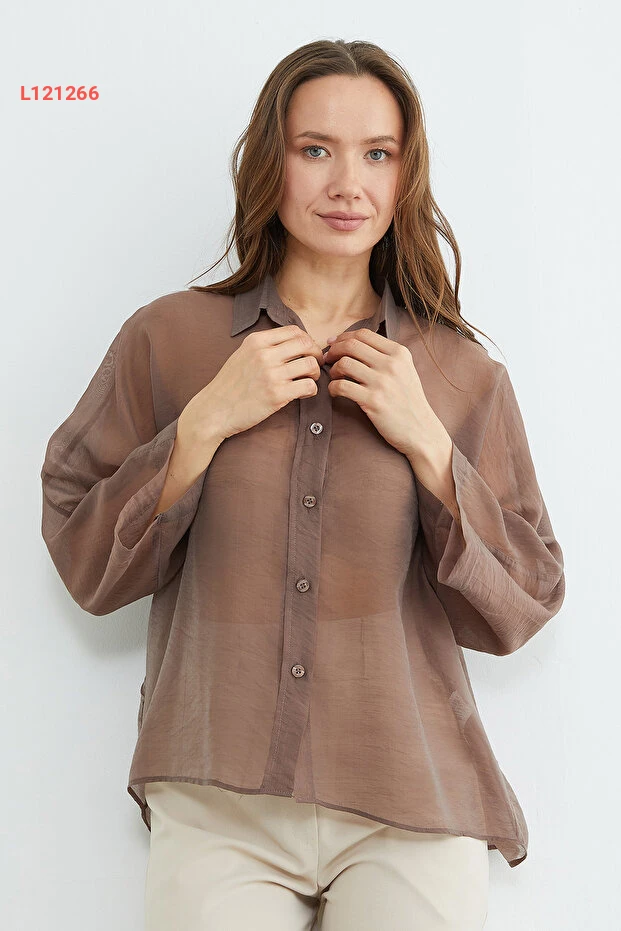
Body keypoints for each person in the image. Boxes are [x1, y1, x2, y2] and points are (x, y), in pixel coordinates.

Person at [40, 38, 565, 931]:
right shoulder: (168, 338)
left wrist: (428, 444)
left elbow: (526, 598)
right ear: (269, 163)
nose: (346, 184)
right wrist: (202, 423)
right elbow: (83, 552)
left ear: (405, 175)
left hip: (409, 798)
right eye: (315, 149)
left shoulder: (458, 374)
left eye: (377, 154)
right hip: (219, 796)